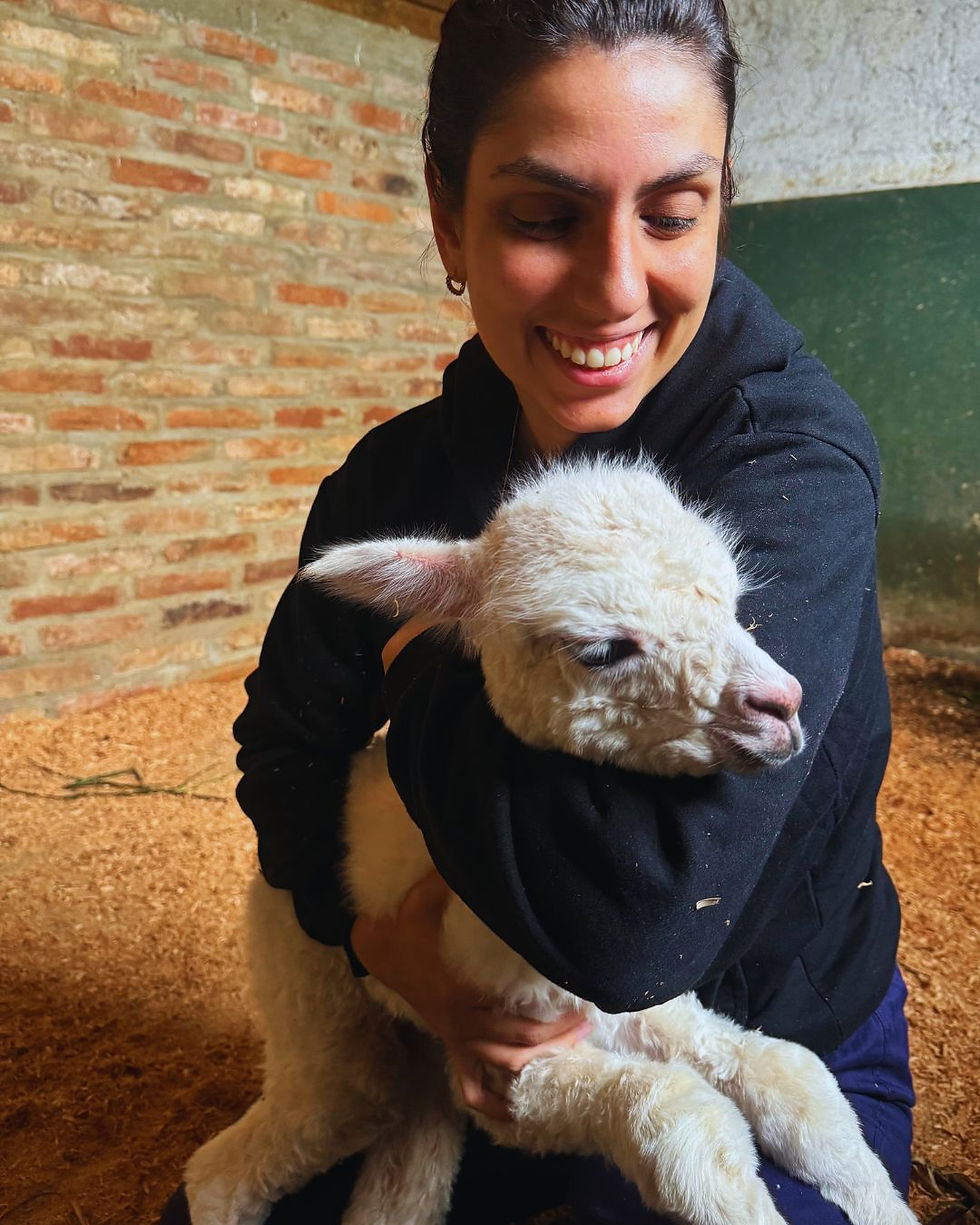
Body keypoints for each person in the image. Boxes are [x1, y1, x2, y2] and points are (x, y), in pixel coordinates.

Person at [159, 1, 915, 1221]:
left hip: (756, 1018)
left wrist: (424, 655)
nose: (615, 286)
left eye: (673, 213)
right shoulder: (396, 483)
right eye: (541, 215)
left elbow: (634, 929)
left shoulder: (788, 464)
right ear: (448, 215)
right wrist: (390, 957)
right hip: (446, 1008)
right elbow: (287, 754)